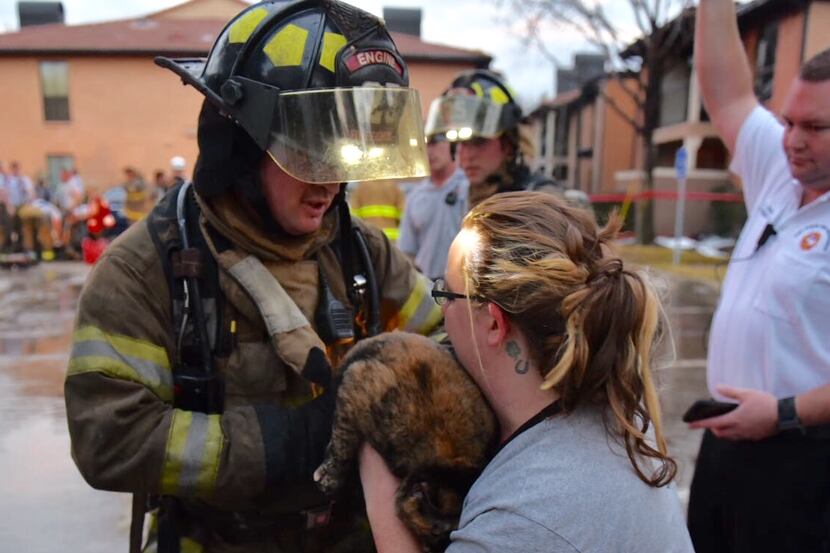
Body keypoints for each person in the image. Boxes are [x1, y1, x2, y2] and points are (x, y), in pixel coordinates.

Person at [63, 1, 441, 552]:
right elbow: (109, 437)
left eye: (343, 152)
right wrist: (286, 443)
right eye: (309, 151)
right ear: (237, 143)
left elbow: (446, 343)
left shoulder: (362, 253)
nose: (330, 182)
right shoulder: (144, 271)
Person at [360, 191, 694, 553]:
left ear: (493, 323)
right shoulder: (620, 419)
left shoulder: (524, 518)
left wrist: (379, 483)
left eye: (447, 294)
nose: (442, 311)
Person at [688, 3, 830, 552]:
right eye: (788, 121)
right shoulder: (783, 173)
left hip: (803, 458)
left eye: (814, 127)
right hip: (728, 446)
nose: (791, 139)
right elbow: (729, 94)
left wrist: (784, 414)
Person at [425, 70, 566, 209]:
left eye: (478, 141)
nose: (467, 156)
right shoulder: (456, 197)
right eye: (459, 142)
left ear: (510, 143)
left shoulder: (543, 202)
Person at [397, 134, 468, 279]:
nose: (429, 151)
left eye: (435, 143)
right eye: (424, 144)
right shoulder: (416, 196)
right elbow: (407, 250)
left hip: (465, 284)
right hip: (429, 284)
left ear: (452, 145)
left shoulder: (468, 188)